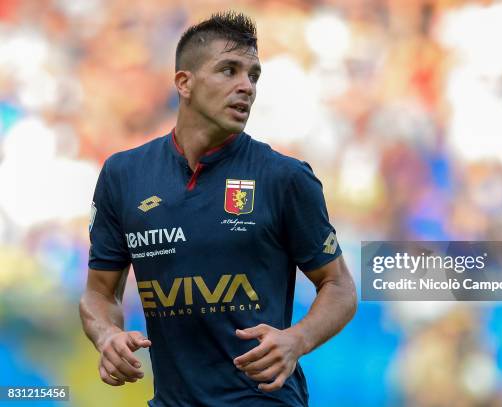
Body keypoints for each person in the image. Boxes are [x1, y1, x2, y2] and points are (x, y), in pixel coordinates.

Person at [79, 10, 357, 407]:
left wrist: (296, 339)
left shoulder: (285, 177)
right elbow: (98, 294)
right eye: (229, 70)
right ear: (184, 83)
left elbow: (340, 286)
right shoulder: (124, 175)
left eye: (254, 75)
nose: (246, 86)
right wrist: (107, 335)